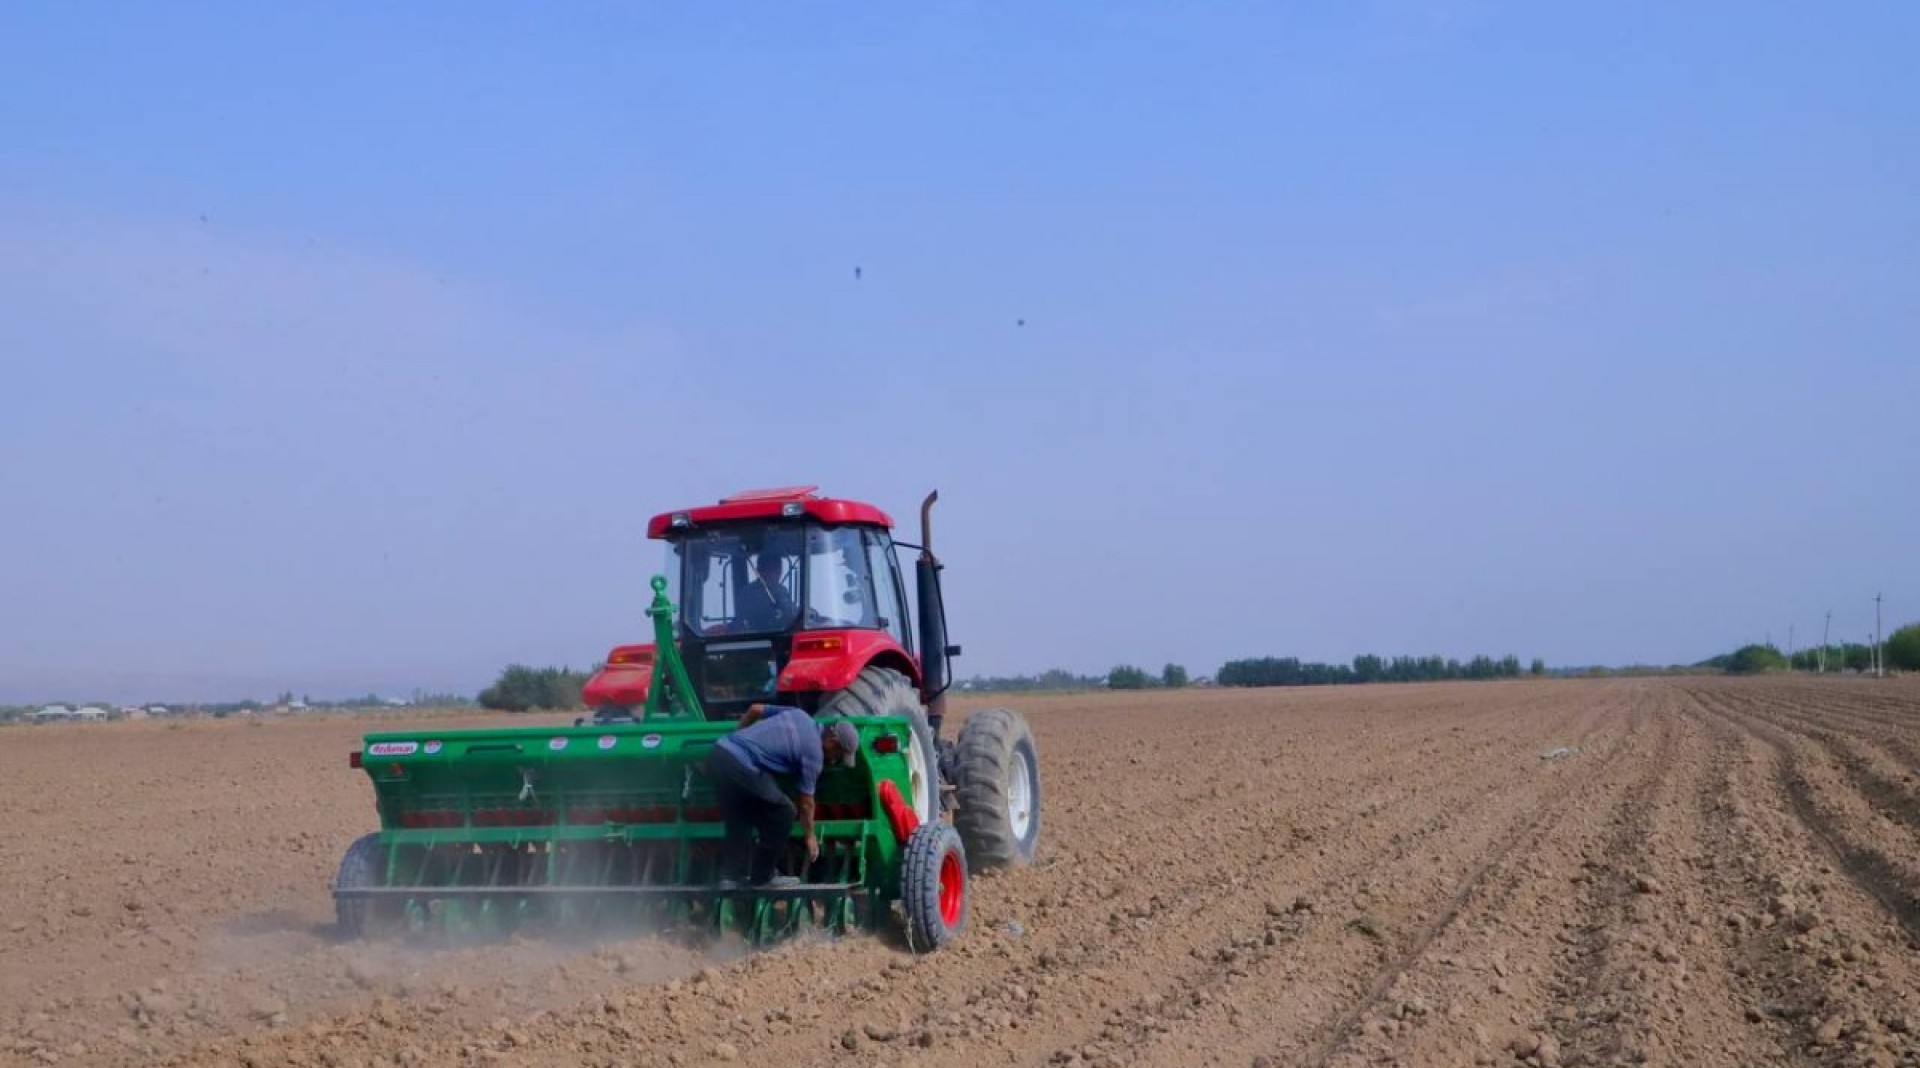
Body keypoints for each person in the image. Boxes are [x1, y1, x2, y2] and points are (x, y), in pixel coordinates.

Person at [704, 703, 858, 889]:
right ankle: (763, 877)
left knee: (740, 815)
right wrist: (810, 836)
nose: (834, 760)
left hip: (718, 754)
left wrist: (737, 737)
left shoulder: (799, 714)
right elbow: (806, 803)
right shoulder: (814, 754)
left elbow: (755, 709)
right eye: (838, 753)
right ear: (831, 740)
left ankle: (730, 877)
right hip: (741, 766)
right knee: (784, 812)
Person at [737, 552, 797, 631]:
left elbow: (790, 611)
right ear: (760, 570)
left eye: (778, 568)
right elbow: (787, 613)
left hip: (775, 631)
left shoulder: (781, 589)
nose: (778, 573)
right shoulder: (751, 592)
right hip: (767, 634)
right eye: (774, 569)